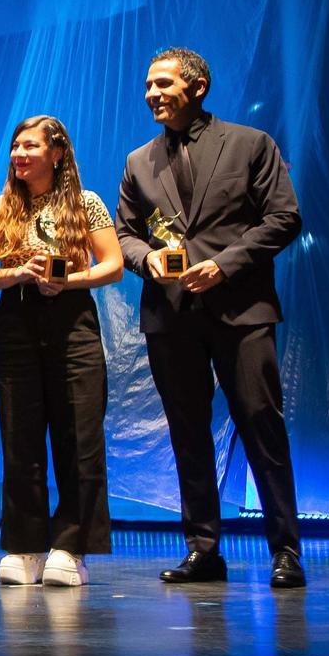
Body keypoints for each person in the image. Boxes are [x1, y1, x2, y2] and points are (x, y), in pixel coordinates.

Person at [117, 48, 306, 588]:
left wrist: (224, 266)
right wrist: (144, 259)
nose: (152, 93)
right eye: (148, 85)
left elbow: (284, 218)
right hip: (171, 315)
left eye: (163, 84)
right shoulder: (139, 160)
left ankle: (286, 551)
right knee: (187, 434)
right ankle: (203, 549)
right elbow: (126, 232)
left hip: (241, 310)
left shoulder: (250, 144)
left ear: (198, 86)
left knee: (261, 426)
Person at [0, 116, 123, 587]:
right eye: (15, 146)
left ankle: (72, 545)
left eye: (30, 146)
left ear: (56, 154)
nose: (19, 154)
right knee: (21, 436)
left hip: (72, 320)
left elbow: (113, 265)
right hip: (16, 321)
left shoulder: (85, 202)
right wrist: (19, 274)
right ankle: (25, 544)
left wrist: (64, 281)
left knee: (79, 436)